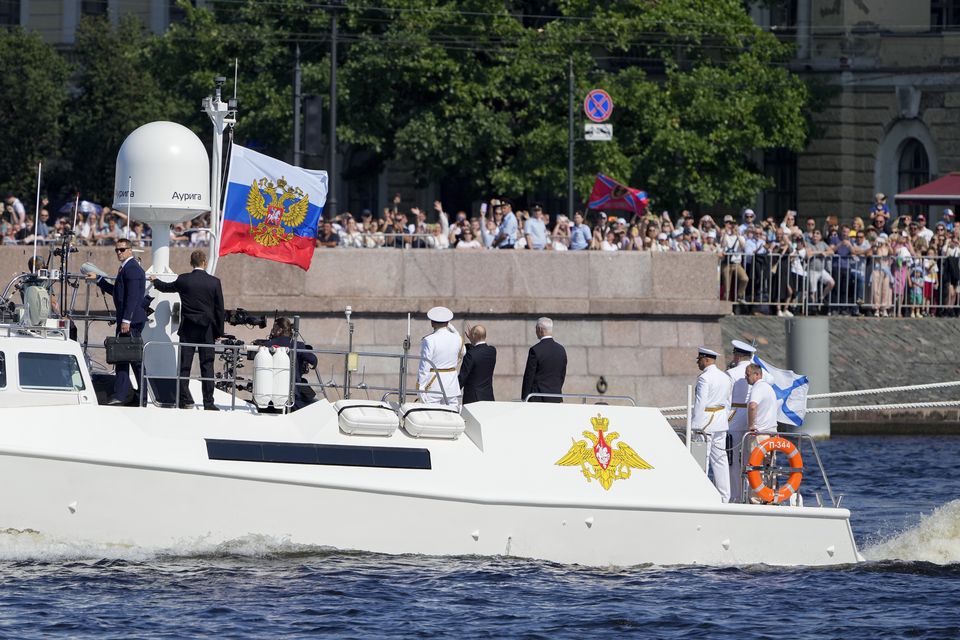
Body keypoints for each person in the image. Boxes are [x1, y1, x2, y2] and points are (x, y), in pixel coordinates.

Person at [149, 250, 225, 410]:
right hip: (207, 330)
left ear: (192, 263)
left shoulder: (184, 279)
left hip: (188, 328)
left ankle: (184, 400)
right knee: (207, 365)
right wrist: (218, 332)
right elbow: (220, 310)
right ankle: (209, 403)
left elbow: (165, 287)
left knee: (185, 365)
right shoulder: (214, 282)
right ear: (204, 262)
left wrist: (155, 281)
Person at [87, 239, 147, 405]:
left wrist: (126, 320)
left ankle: (140, 396)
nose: (119, 252)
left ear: (130, 250)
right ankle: (121, 394)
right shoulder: (126, 268)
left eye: (122, 249)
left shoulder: (133, 268)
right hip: (126, 319)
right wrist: (99, 280)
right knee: (122, 357)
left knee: (133, 359)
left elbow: (133, 297)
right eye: (117, 250)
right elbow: (118, 292)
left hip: (131, 321)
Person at [692, 347, 732, 502]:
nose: (698, 363)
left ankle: (700, 495)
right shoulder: (725, 377)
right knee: (720, 460)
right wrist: (723, 419)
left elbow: (700, 403)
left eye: (699, 360)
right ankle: (725, 497)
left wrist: (695, 426)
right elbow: (728, 403)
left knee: (702, 458)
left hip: (706, 423)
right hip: (721, 422)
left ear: (706, 359)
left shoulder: (704, 378)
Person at [264, 316, 319, 410]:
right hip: (293, 394)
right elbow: (313, 360)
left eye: (273, 328)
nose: (272, 331)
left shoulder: (268, 345)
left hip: (270, 395)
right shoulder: (298, 345)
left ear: (279, 330)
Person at [417, 306, 465, 406]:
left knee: (431, 415)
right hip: (451, 385)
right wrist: (455, 331)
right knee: (452, 415)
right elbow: (463, 352)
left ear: (432, 323)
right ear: (448, 323)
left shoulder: (429, 340)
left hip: (434, 384)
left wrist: (420, 387)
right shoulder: (458, 338)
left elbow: (424, 366)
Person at [520, 317, 567, 402]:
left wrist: (524, 397)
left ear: (540, 329)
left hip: (538, 398)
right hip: (555, 398)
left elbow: (529, 376)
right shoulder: (561, 350)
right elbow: (562, 376)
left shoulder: (535, 350)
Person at [458, 325, 496, 404]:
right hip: (488, 397)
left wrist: (452, 391)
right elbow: (478, 351)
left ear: (474, 336)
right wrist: (473, 339)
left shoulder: (470, 355)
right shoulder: (492, 351)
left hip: (473, 399)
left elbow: (462, 377)